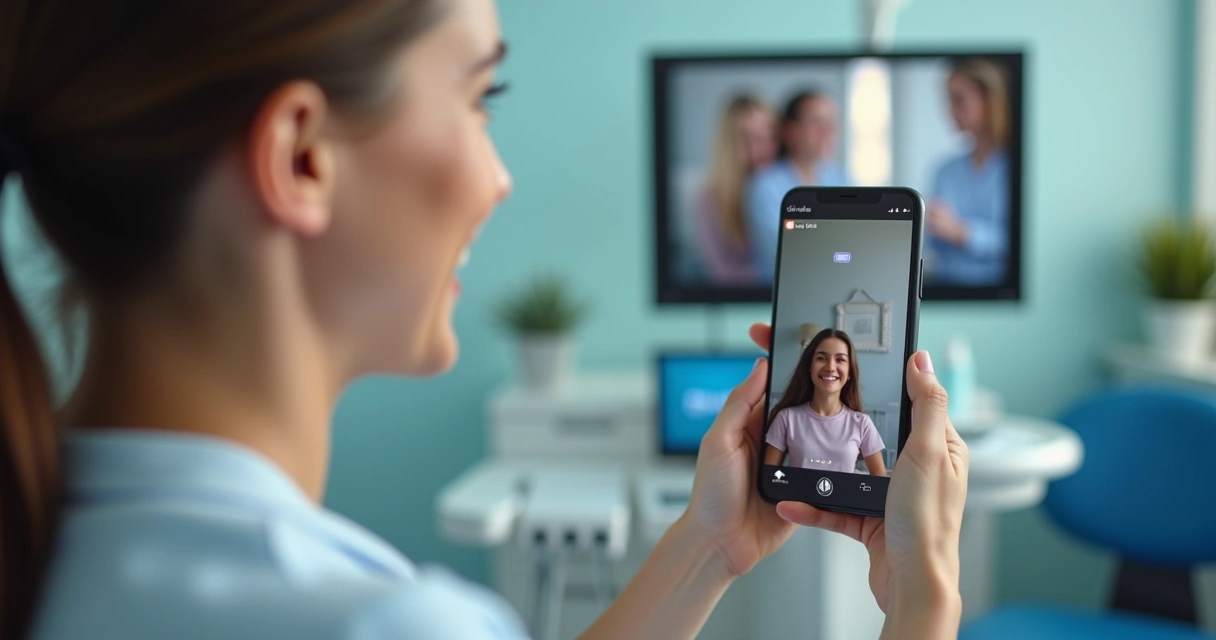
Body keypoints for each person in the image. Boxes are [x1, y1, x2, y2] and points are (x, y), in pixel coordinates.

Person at [0, 1, 968, 638]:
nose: (500, 177)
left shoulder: (44, 542)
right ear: (302, 157)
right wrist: (923, 590)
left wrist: (709, 545)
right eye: (479, 97)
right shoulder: (376, 621)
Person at [925, 58, 1012, 287]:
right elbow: (933, 247)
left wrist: (963, 233)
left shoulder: (1015, 168)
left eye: (959, 100)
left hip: (999, 295)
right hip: (947, 290)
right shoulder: (945, 170)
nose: (950, 111)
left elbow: (1022, 244)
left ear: (989, 100)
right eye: (948, 101)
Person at [745, 90, 848, 281]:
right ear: (789, 131)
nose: (828, 131)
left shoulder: (840, 178)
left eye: (831, 122)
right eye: (816, 122)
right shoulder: (764, 185)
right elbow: (785, 253)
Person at [763, 329, 887, 476]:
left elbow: (880, 482)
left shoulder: (862, 423)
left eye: (840, 359)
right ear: (809, 366)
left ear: (850, 372)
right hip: (793, 499)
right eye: (821, 358)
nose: (830, 367)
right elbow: (768, 479)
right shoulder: (786, 418)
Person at [693, 94, 776, 285]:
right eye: (747, 137)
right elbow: (725, 275)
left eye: (768, 135)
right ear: (729, 143)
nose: (762, 146)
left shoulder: (786, 187)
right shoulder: (709, 199)